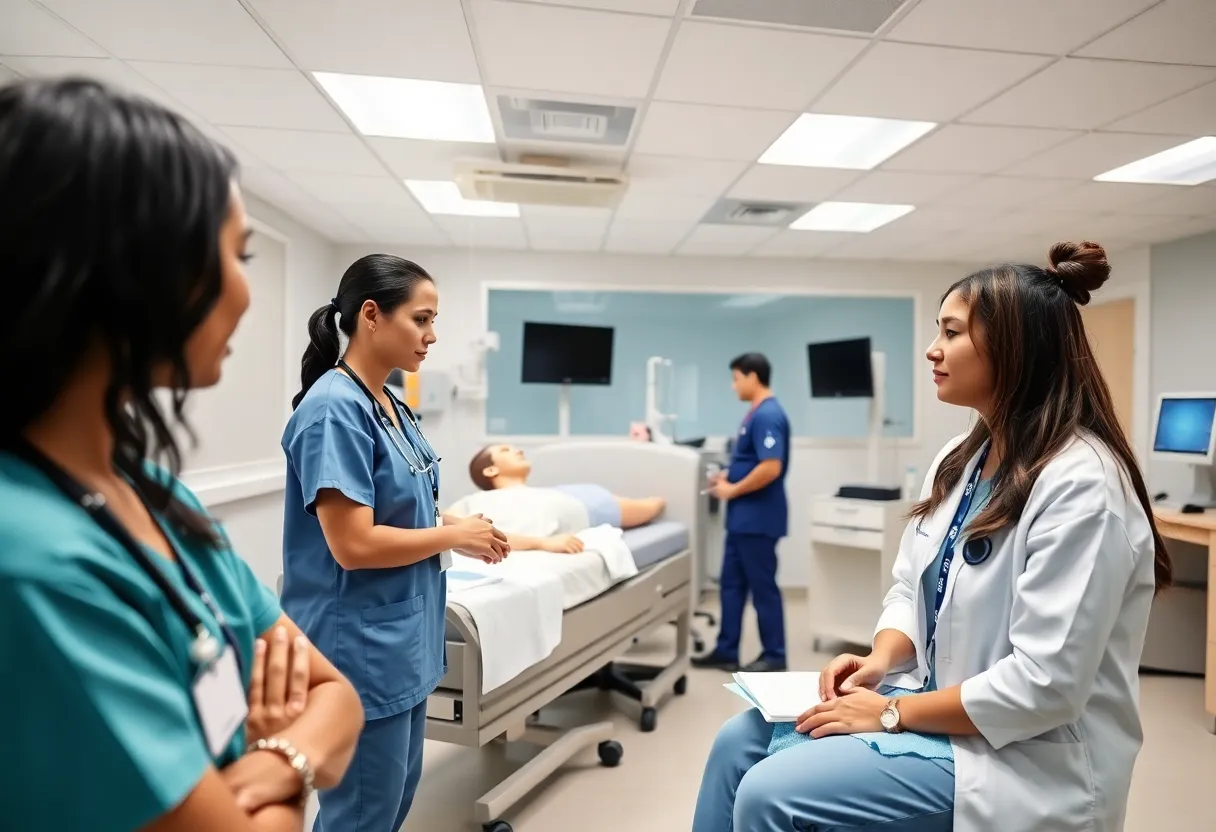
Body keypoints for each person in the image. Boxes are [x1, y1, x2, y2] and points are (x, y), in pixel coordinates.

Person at [691, 241, 1170, 832]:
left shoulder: (1082, 485)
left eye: (952, 331)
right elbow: (907, 589)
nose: (931, 348)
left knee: (772, 793)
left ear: (1015, 348)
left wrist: (890, 712)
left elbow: (1045, 686)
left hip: (1025, 756)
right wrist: (880, 661)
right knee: (738, 742)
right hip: (932, 706)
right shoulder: (958, 460)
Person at [0, 77, 364, 831]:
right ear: (125, 268)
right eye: (234, 256)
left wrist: (277, 762)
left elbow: (337, 700)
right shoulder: (31, 564)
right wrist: (292, 777)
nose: (247, 294)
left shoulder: (160, 496)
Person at [280, 254, 510, 832]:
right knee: (361, 813)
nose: (433, 337)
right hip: (356, 647)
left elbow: (411, 509)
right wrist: (454, 534)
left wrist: (464, 529)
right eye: (422, 319)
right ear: (371, 315)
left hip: (402, 640)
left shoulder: (392, 406)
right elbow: (352, 544)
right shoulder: (336, 408)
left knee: (392, 802)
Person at [693, 352, 791, 674]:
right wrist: (726, 475)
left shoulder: (768, 415)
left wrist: (732, 489)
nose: (733, 385)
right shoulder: (754, 414)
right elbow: (750, 461)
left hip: (758, 520)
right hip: (742, 520)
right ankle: (726, 650)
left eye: (736, 378)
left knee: (762, 589)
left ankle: (775, 655)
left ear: (752, 376)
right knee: (731, 586)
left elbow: (771, 466)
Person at [453, 444, 666, 553]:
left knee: (652, 504)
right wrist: (543, 543)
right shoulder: (471, 502)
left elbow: (651, 507)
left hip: (580, 501)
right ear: (490, 470)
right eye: (506, 450)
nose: (518, 450)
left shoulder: (571, 497)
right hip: (572, 506)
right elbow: (444, 527)